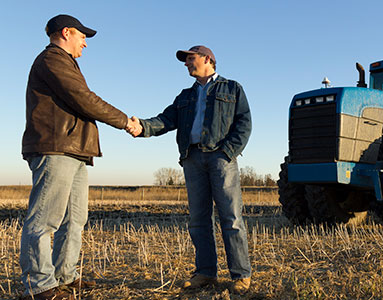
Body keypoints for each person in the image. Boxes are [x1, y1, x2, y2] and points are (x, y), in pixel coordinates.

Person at [20, 14, 141, 300]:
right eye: (82, 36)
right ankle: (39, 286)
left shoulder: (65, 63)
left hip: (75, 150)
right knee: (44, 220)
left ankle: (65, 276)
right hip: (55, 148)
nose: (85, 42)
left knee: (74, 218)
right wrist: (125, 121)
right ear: (66, 33)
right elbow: (83, 98)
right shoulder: (52, 60)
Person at [131, 45, 252, 294]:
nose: (186, 63)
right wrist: (142, 126)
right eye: (185, 60)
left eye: (190, 58)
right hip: (192, 158)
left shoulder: (232, 88)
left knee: (231, 217)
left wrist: (227, 152)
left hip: (221, 158)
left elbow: (244, 122)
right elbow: (166, 120)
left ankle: (241, 275)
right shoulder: (185, 95)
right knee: (198, 220)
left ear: (208, 59)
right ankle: (206, 273)